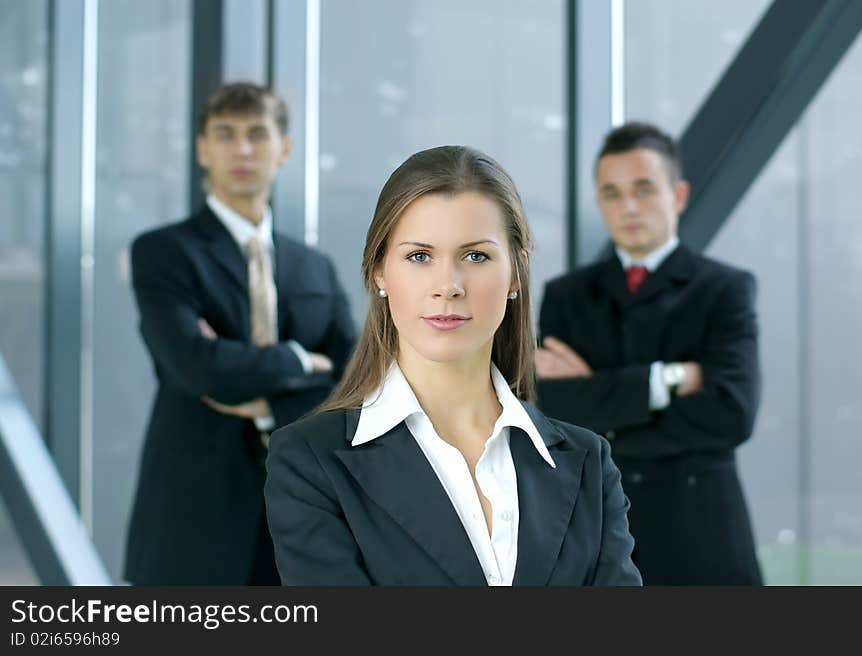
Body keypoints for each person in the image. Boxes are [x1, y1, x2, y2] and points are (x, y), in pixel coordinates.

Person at [264, 145, 642, 586]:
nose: (448, 286)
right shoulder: (310, 462)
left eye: (476, 256)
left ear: (516, 274)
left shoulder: (589, 464)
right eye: (419, 257)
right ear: (379, 272)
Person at [124, 83, 356, 585]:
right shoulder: (163, 253)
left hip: (304, 509)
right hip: (192, 513)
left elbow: (360, 382)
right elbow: (196, 366)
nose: (243, 150)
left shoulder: (315, 268)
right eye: (225, 135)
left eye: (257, 134)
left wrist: (272, 405)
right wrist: (299, 362)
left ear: (284, 149)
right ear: (203, 150)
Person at [534, 122, 762, 585]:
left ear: (677, 195)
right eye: (612, 193)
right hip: (598, 533)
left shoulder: (724, 290)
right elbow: (555, 418)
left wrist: (600, 400)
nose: (629, 207)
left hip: (702, 534)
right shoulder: (567, 296)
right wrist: (666, 382)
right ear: (599, 202)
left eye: (643, 189)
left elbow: (732, 415)